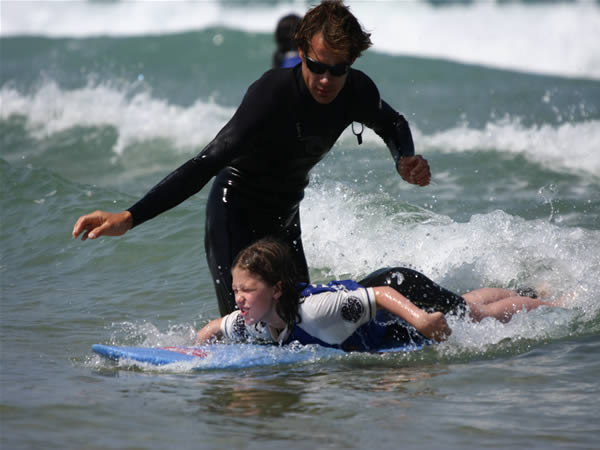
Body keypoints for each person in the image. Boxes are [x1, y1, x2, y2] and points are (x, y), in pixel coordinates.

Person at [72, 1, 432, 316]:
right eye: (317, 66)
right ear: (302, 50)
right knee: (244, 325)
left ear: (351, 63)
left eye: (337, 70)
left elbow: (393, 122)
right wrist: (130, 217)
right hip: (235, 212)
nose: (326, 80)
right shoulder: (271, 95)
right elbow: (207, 161)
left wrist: (404, 158)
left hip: (286, 215)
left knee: (299, 318)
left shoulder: (357, 91)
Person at [195, 238, 559, 351]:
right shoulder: (256, 321)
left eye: (247, 290)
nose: (238, 299)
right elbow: (213, 328)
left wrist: (420, 319)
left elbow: (383, 293)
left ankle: (553, 303)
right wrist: (196, 348)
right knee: (465, 302)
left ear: (276, 289)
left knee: (475, 316)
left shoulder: (316, 313)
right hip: (377, 305)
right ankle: (526, 289)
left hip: (399, 287)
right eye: (235, 291)